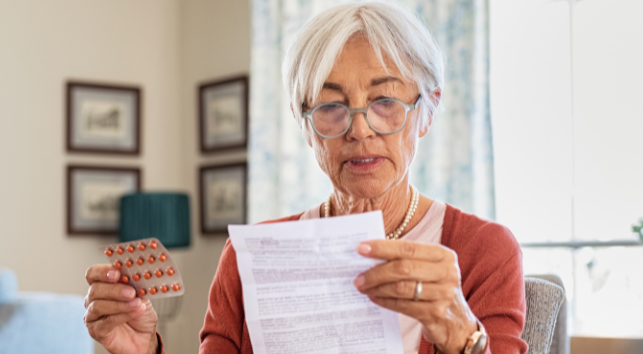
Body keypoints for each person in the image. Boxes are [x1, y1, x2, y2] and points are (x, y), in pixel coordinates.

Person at [83, 2, 527, 354]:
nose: (360, 128)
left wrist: (464, 339)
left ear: (426, 111)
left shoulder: (484, 251)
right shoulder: (245, 257)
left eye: (385, 100)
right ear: (305, 126)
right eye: (332, 107)